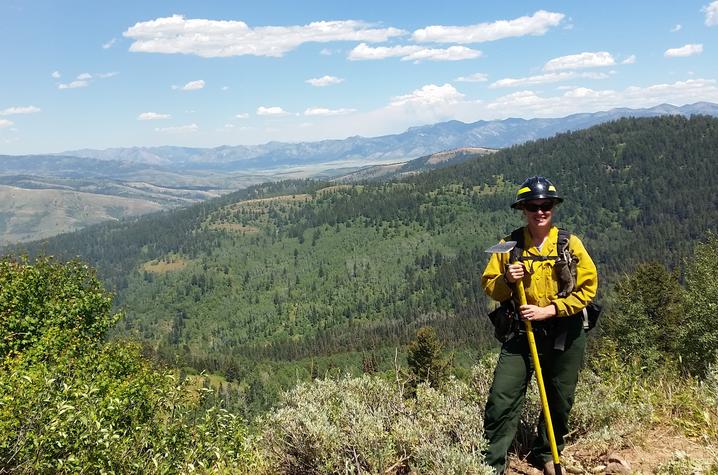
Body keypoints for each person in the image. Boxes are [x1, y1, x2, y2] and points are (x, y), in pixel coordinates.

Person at [481, 176, 598, 475]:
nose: (540, 211)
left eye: (546, 205)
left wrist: (550, 310)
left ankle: (546, 452)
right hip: (521, 333)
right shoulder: (508, 245)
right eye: (533, 206)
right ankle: (492, 464)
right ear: (523, 209)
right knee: (502, 398)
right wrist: (508, 279)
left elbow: (587, 289)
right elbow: (490, 286)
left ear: (553, 207)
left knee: (559, 399)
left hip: (564, 333)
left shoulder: (570, 244)